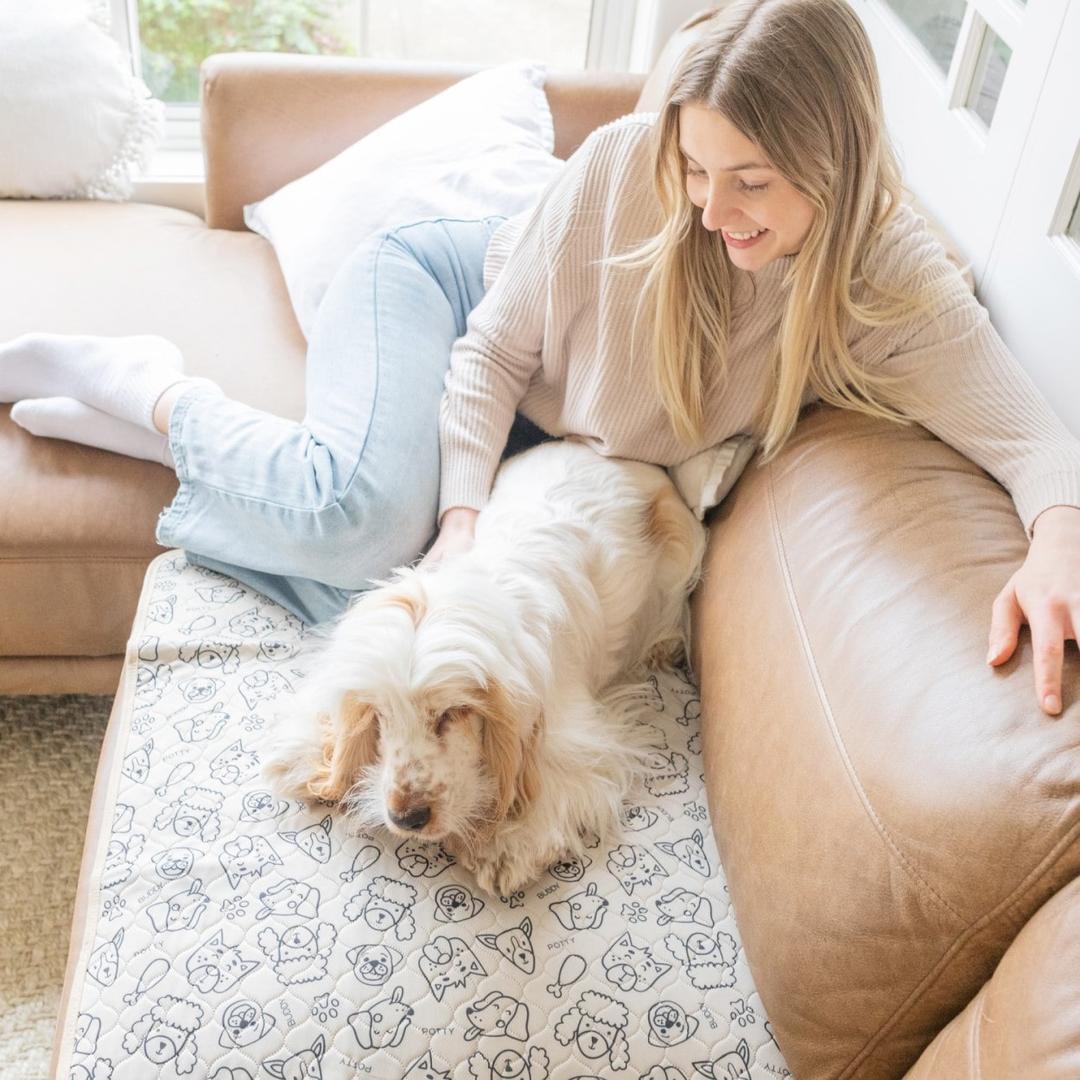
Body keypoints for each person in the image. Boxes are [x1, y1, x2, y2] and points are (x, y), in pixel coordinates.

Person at [2, 0, 1078, 716]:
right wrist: (462, 519)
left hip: (547, 434)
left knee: (437, 629)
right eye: (699, 168)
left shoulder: (884, 281)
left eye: (751, 180)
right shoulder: (627, 168)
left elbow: (1031, 436)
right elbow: (490, 356)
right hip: (446, 296)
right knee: (367, 528)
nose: (711, 209)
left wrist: (1056, 546)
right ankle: (149, 391)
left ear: (833, 159)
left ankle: (160, 434)